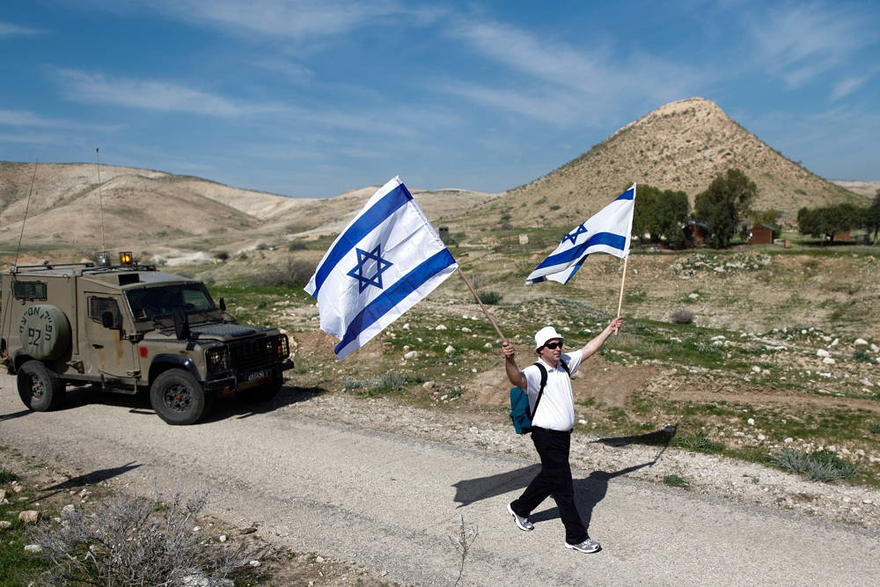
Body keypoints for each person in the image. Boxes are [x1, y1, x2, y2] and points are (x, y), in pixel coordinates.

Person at [501, 317, 624, 554]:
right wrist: (509, 359)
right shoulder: (536, 371)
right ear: (541, 350)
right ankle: (576, 536)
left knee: (550, 476)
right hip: (545, 436)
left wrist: (608, 329)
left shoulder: (565, 363)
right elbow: (517, 379)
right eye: (552, 345)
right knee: (564, 487)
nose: (558, 348)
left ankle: (519, 508)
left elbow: (588, 349)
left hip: (562, 437)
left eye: (560, 344)